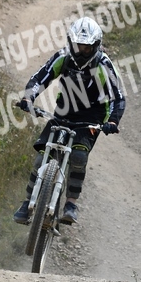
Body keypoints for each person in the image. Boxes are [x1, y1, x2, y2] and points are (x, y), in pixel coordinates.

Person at [13, 16, 126, 225]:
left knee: (79, 156)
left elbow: (118, 98)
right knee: (41, 158)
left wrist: (113, 121)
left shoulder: (104, 64)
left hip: (92, 116)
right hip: (64, 112)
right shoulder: (63, 56)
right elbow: (40, 77)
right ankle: (27, 202)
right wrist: (28, 98)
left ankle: (71, 204)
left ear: (96, 46)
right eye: (77, 46)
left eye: (86, 48)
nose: (80, 51)